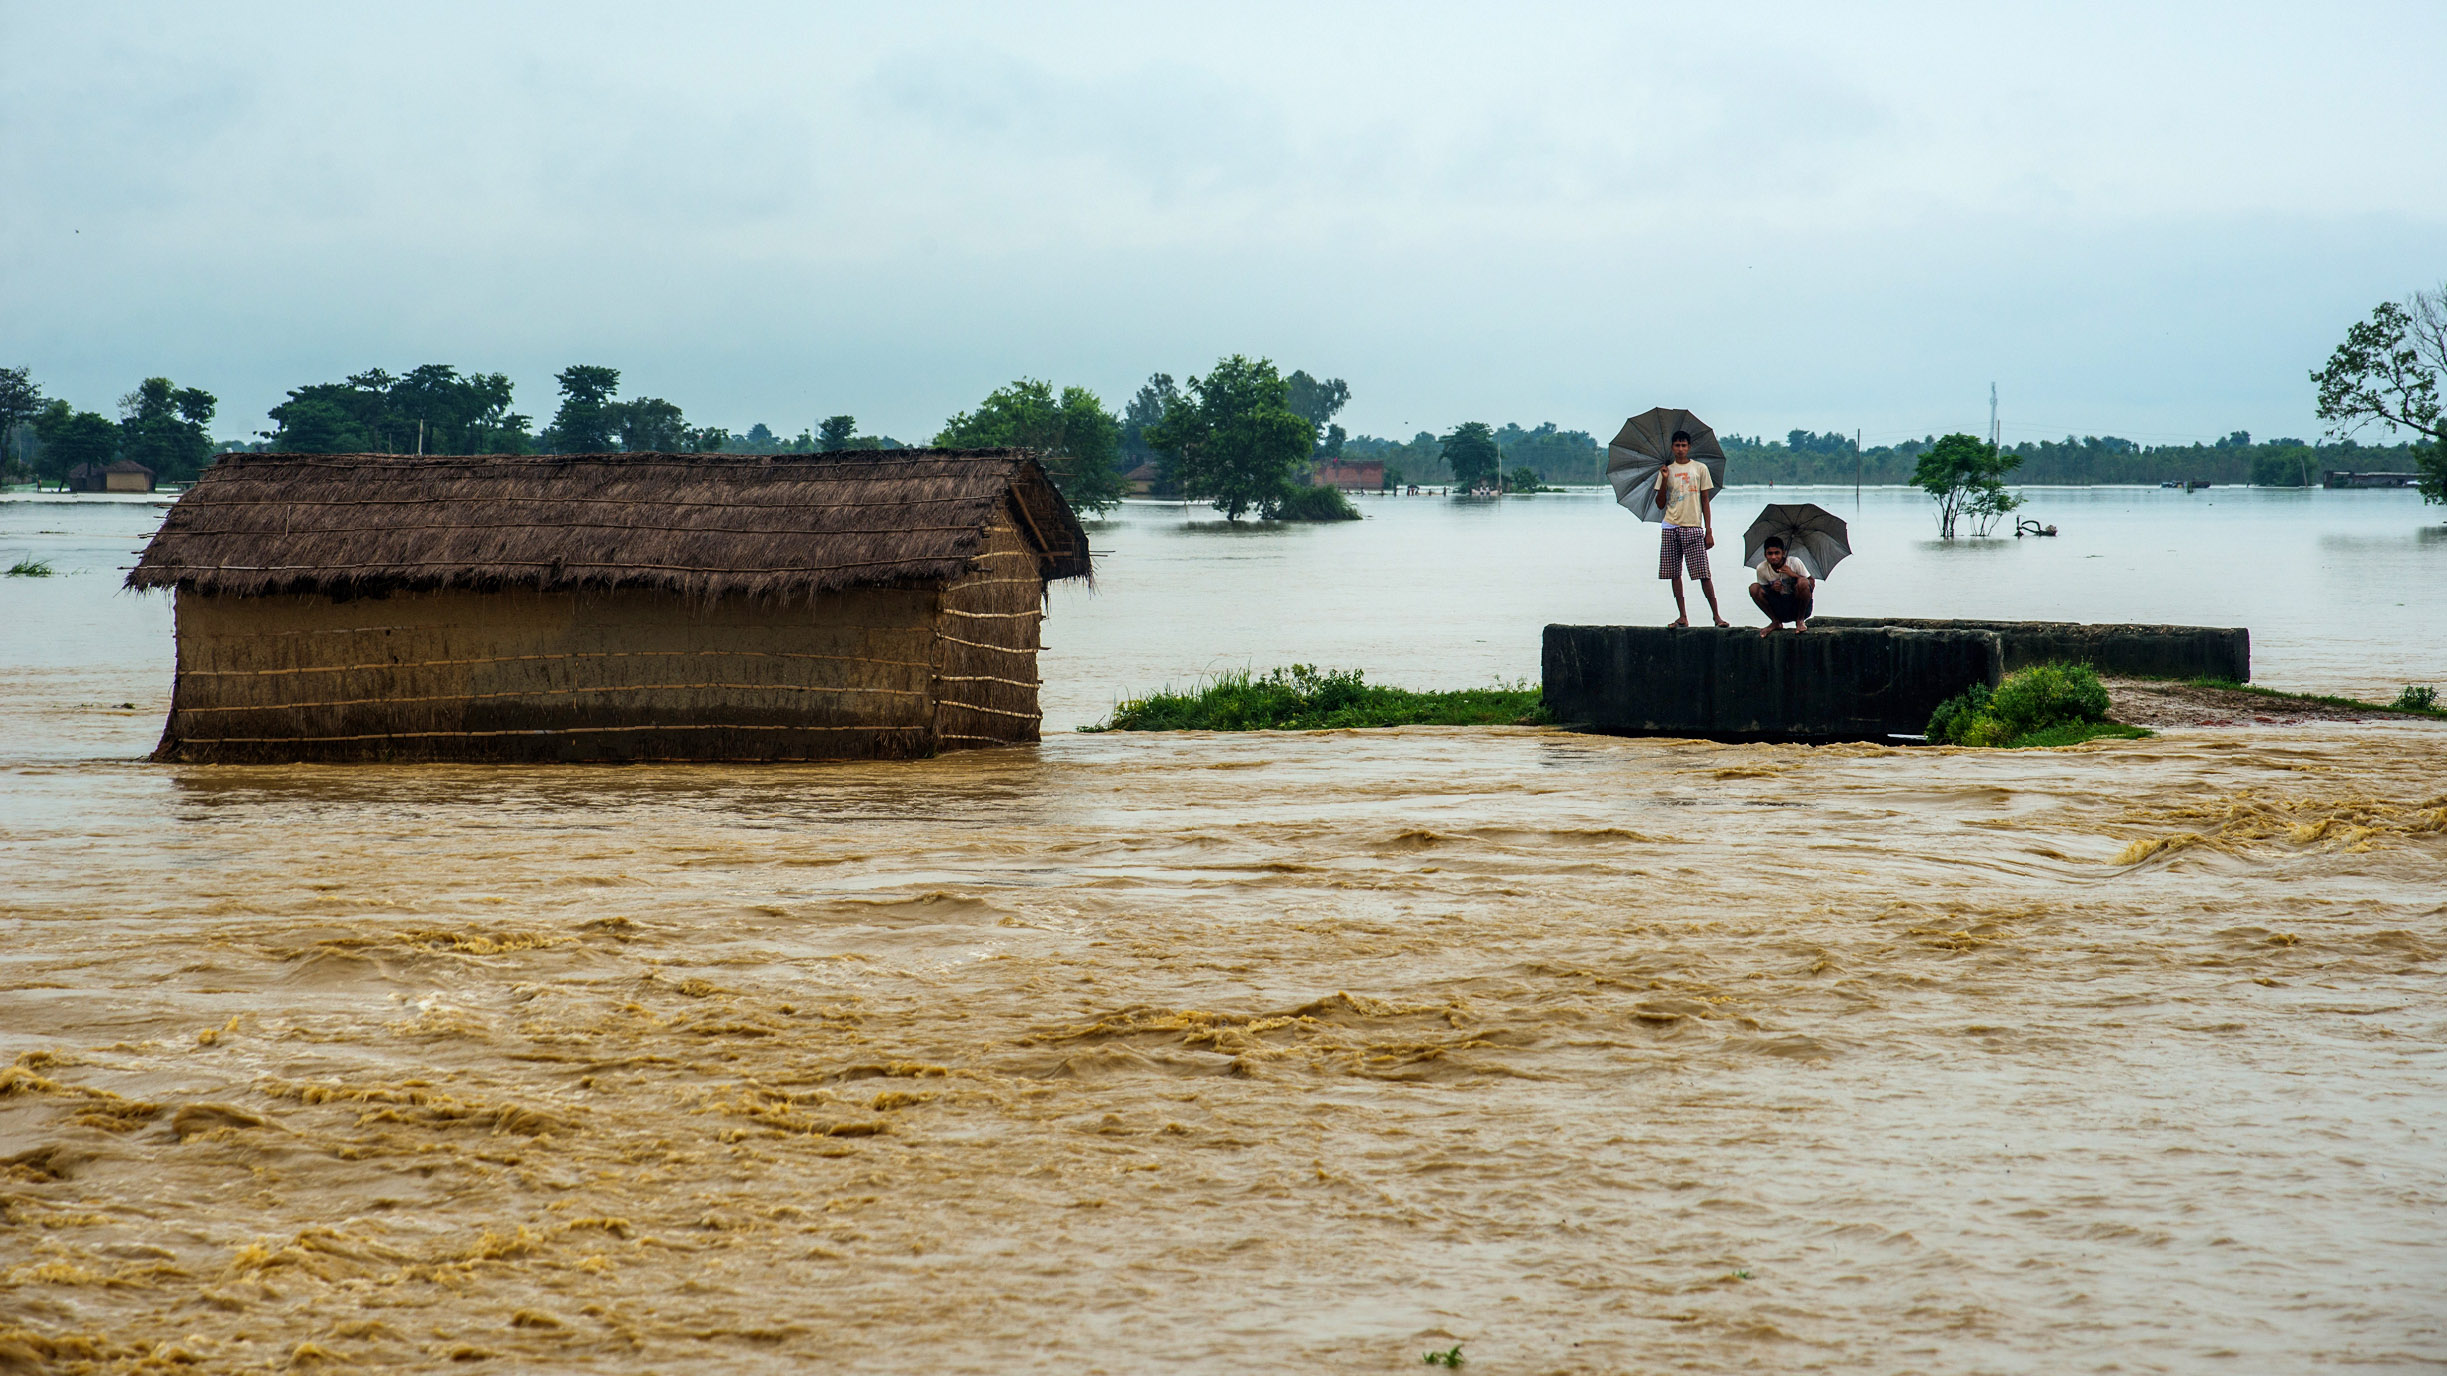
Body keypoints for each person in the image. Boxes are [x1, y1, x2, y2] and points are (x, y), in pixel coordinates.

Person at [1653, 431, 1726, 627]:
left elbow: (1705, 500)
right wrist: (1664, 479)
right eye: (1677, 445)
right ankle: (1682, 616)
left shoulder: (1699, 469)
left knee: (1703, 573)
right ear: (1672, 448)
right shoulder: (1666, 470)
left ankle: (1716, 616)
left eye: (1684, 445)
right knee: (1675, 574)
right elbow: (1660, 504)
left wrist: (1708, 530)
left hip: (1693, 526)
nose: (1680, 449)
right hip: (1671, 526)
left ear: (1689, 447)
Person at [1748, 535, 1815, 635]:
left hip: (1798, 606)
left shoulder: (1794, 562)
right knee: (1754, 588)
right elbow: (1763, 591)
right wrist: (1773, 588)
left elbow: (1811, 584)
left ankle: (1800, 621)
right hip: (1780, 608)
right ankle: (1775, 622)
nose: (1773, 557)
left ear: (1783, 553)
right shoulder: (1762, 568)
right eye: (1770, 554)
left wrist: (1793, 575)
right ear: (1765, 555)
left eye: (1777, 553)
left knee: (1803, 582)